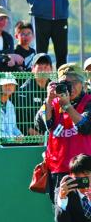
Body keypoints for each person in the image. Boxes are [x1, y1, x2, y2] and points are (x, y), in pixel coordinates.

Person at [36, 63, 91, 199]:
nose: (70, 87)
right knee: (61, 214)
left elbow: (85, 127)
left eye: (74, 82)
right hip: (58, 171)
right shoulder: (53, 103)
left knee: (85, 215)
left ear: (83, 84)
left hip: (83, 171)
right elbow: (41, 125)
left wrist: (67, 106)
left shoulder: (88, 102)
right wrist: (48, 100)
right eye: (65, 83)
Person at [17, 54, 52, 134]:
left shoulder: (54, 89)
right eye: (39, 67)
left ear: (51, 69)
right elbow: (22, 123)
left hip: (52, 136)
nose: (43, 71)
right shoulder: (24, 91)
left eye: (46, 67)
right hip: (31, 140)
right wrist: (40, 138)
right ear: (32, 69)